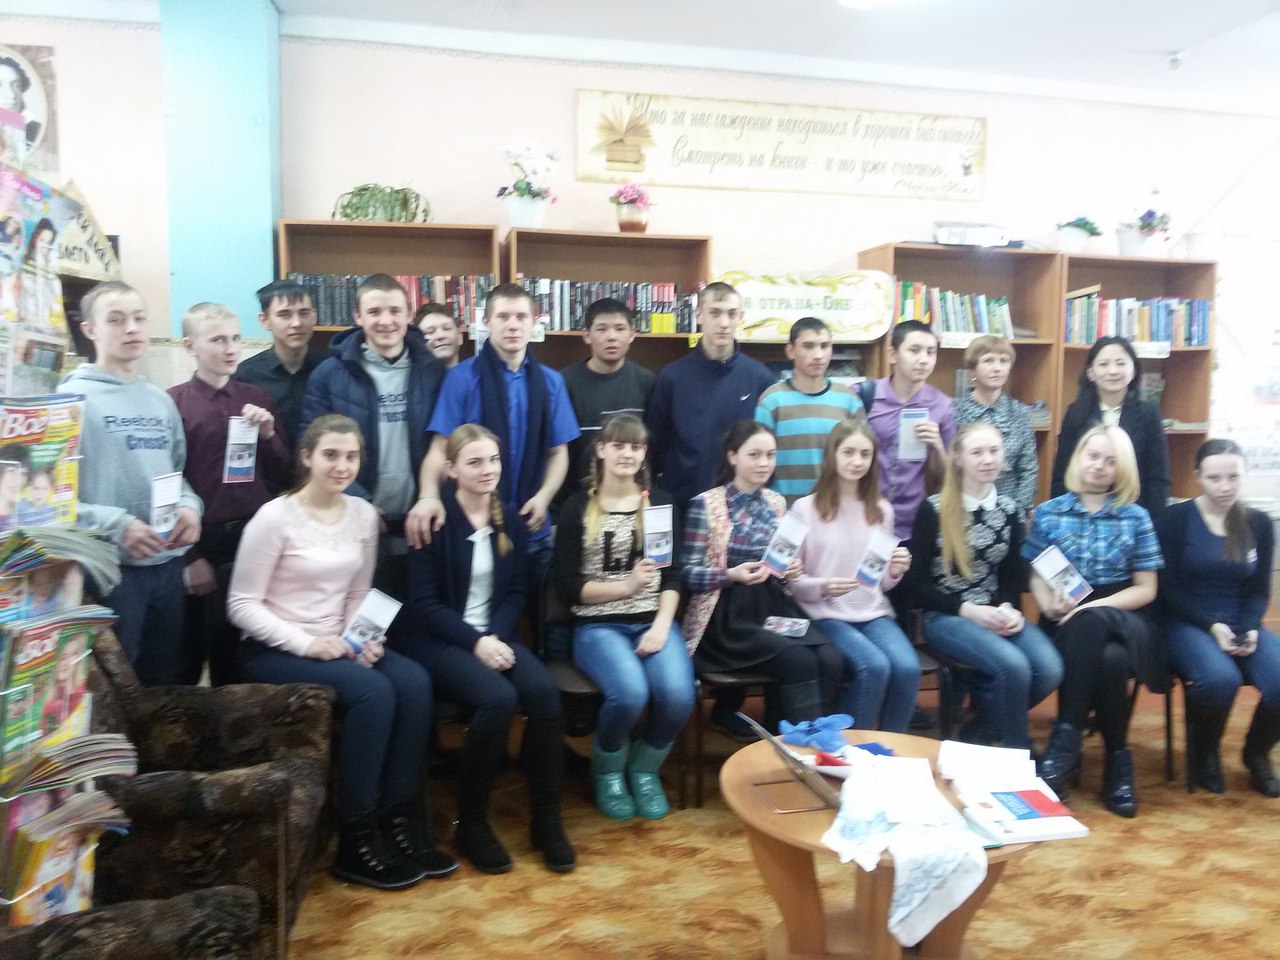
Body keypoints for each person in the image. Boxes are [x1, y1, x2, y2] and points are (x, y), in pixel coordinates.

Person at [227, 415, 457, 889]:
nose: (342, 466)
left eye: (351, 456)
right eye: (330, 454)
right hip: (276, 646)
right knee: (374, 694)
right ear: (306, 457)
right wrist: (310, 645)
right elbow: (241, 605)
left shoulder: (363, 514)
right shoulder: (274, 518)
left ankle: (399, 821)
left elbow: (357, 592)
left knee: (414, 682)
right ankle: (356, 837)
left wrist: (363, 639)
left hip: (338, 638)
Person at [401, 424, 574, 874]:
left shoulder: (508, 517)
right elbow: (424, 605)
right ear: (451, 469)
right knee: (497, 699)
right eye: (475, 462)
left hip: (493, 635)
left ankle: (547, 819)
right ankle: (472, 824)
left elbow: (516, 591)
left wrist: (493, 636)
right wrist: (476, 642)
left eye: (493, 460)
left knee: (544, 694)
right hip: (440, 641)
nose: (487, 469)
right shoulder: (432, 521)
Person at [60, 281, 203, 685]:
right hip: (111, 572)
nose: (131, 328)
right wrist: (117, 525)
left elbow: (178, 475)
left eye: (139, 318)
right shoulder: (69, 400)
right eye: (116, 320)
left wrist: (191, 507)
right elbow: (47, 503)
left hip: (167, 567)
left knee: (163, 683)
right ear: (89, 329)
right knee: (113, 688)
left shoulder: (160, 400)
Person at [553, 414, 694, 820]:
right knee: (631, 694)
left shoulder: (659, 503)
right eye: (618, 445)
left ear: (644, 453)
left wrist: (662, 627)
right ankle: (608, 773)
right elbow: (568, 586)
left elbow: (672, 575)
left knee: (678, 696)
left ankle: (644, 771)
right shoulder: (577, 507)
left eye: (635, 446)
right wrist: (626, 587)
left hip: (653, 620)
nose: (627, 454)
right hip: (597, 624)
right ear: (600, 449)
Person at [1027, 425, 1165, 817]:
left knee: (1092, 625)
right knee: (1111, 661)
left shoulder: (1136, 517)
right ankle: (1118, 762)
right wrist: (1049, 605)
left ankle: (1062, 751)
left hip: (1126, 615)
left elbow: (1147, 589)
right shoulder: (1050, 512)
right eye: (1093, 456)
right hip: (1064, 615)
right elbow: (1036, 575)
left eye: (1111, 461)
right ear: (1079, 458)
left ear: (1123, 469)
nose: (1100, 466)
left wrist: (1091, 608)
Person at [408, 283, 579, 593]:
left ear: (534, 322)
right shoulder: (461, 378)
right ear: (486, 322)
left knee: (538, 612)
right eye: (503, 317)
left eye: (521, 317)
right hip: (473, 526)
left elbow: (558, 453)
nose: (513, 325)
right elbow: (440, 449)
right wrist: (428, 496)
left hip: (532, 524)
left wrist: (543, 498)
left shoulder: (552, 382)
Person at [904, 423, 1062, 748]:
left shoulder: (1009, 509)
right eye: (977, 452)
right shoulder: (933, 509)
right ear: (959, 459)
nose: (988, 459)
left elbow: (1011, 576)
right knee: (1014, 666)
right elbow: (915, 586)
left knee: (1049, 668)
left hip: (995, 613)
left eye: (994, 451)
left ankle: (982, 729)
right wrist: (969, 611)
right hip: (946, 616)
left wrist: (1008, 608)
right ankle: (1019, 751)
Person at [680, 421, 847, 727]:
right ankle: (802, 741)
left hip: (771, 606)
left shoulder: (776, 502)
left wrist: (789, 570)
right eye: (754, 455)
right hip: (726, 615)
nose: (764, 463)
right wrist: (731, 574)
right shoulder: (705, 505)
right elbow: (687, 574)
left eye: (770, 455)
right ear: (732, 456)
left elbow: (780, 563)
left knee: (830, 657)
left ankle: (788, 730)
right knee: (798, 659)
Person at [299, 274, 446, 610]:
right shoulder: (329, 375)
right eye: (375, 311)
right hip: (351, 518)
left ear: (409, 315)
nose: (386, 321)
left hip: (422, 518)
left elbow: (444, 443)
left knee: (418, 615)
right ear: (358, 316)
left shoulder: (433, 372)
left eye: (395, 311)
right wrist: (359, 501)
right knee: (361, 616)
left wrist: (430, 496)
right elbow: (308, 446)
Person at [168, 302, 292, 685]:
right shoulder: (173, 404)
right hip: (201, 539)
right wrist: (189, 557)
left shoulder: (257, 399)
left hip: (255, 535)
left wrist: (268, 435)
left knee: (246, 644)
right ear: (190, 345)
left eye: (236, 339)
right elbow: (167, 483)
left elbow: (284, 474)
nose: (230, 348)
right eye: (218, 340)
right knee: (192, 647)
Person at [1155, 439, 1280, 797]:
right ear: (1198, 477)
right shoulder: (1175, 519)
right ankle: (1204, 752)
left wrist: (1251, 626)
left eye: (1233, 477)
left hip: (1241, 621)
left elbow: (1259, 590)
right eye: (1214, 478)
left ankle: (1256, 754)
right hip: (1185, 620)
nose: (1225, 487)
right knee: (1220, 678)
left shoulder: (1258, 523)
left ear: (1244, 475)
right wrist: (1211, 625)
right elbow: (1167, 590)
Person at [788, 418, 919, 731]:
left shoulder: (882, 510)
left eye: (865, 454)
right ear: (832, 455)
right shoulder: (804, 509)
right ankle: (848, 748)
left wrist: (895, 571)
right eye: (848, 452)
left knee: (908, 668)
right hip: (824, 612)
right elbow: (790, 583)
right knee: (874, 666)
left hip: (872, 610)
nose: (857, 461)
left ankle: (890, 747)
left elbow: (880, 582)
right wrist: (823, 586)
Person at [646, 281, 775, 509]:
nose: (724, 323)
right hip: (683, 501)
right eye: (715, 313)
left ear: (741, 317)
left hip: (741, 504)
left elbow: (768, 447)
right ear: (698, 315)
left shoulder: (760, 377)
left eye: (731, 314)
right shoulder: (672, 376)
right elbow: (656, 443)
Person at [1052, 335, 1170, 521]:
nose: (1113, 371)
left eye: (1121, 363)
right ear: (1090, 372)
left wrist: (1154, 520)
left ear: (1133, 370)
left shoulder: (1149, 414)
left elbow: (1158, 476)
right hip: (1082, 514)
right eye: (1104, 364)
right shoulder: (1076, 413)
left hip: (1134, 514)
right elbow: (1062, 473)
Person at [863, 320, 957, 542]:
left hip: (916, 521)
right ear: (892, 354)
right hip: (866, 517)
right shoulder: (864, 395)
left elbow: (950, 476)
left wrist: (936, 446)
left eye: (930, 352)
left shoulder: (942, 405)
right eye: (914, 350)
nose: (924, 359)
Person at [755, 317, 864, 504]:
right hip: (783, 510)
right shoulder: (771, 400)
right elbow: (757, 460)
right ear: (791, 350)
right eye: (808, 346)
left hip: (833, 508)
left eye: (824, 346)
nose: (818, 355)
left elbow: (861, 456)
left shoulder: (849, 400)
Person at [559, 297, 657, 504]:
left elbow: (655, 446)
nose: (611, 337)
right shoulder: (564, 383)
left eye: (620, 329)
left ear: (632, 335)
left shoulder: (647, 382)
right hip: (578, 499)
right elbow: (558, 450)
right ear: (587, 335)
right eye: (601, 329)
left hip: (634, 498)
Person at [954, 335, 1038, 520]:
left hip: (1010, 510)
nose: (997, 368)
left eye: (1003, 361)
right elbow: (949, 468)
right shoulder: (954, 411)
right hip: (962, 509)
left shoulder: (1020, 412)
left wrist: (1016, 513)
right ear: (973, 370)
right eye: (988, 361)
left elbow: (1028, 468)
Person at [234, 280, 325, 446]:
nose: (297, 323)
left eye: (304, 313)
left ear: (314, 315)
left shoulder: (330, 370)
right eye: (284, 315)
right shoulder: (245, 376)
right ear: (264, 320)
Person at [413, 303, 464, 367]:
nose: (440, 335)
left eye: (447, 328)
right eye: (430, 332)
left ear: (460, 337)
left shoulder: (475, 371)